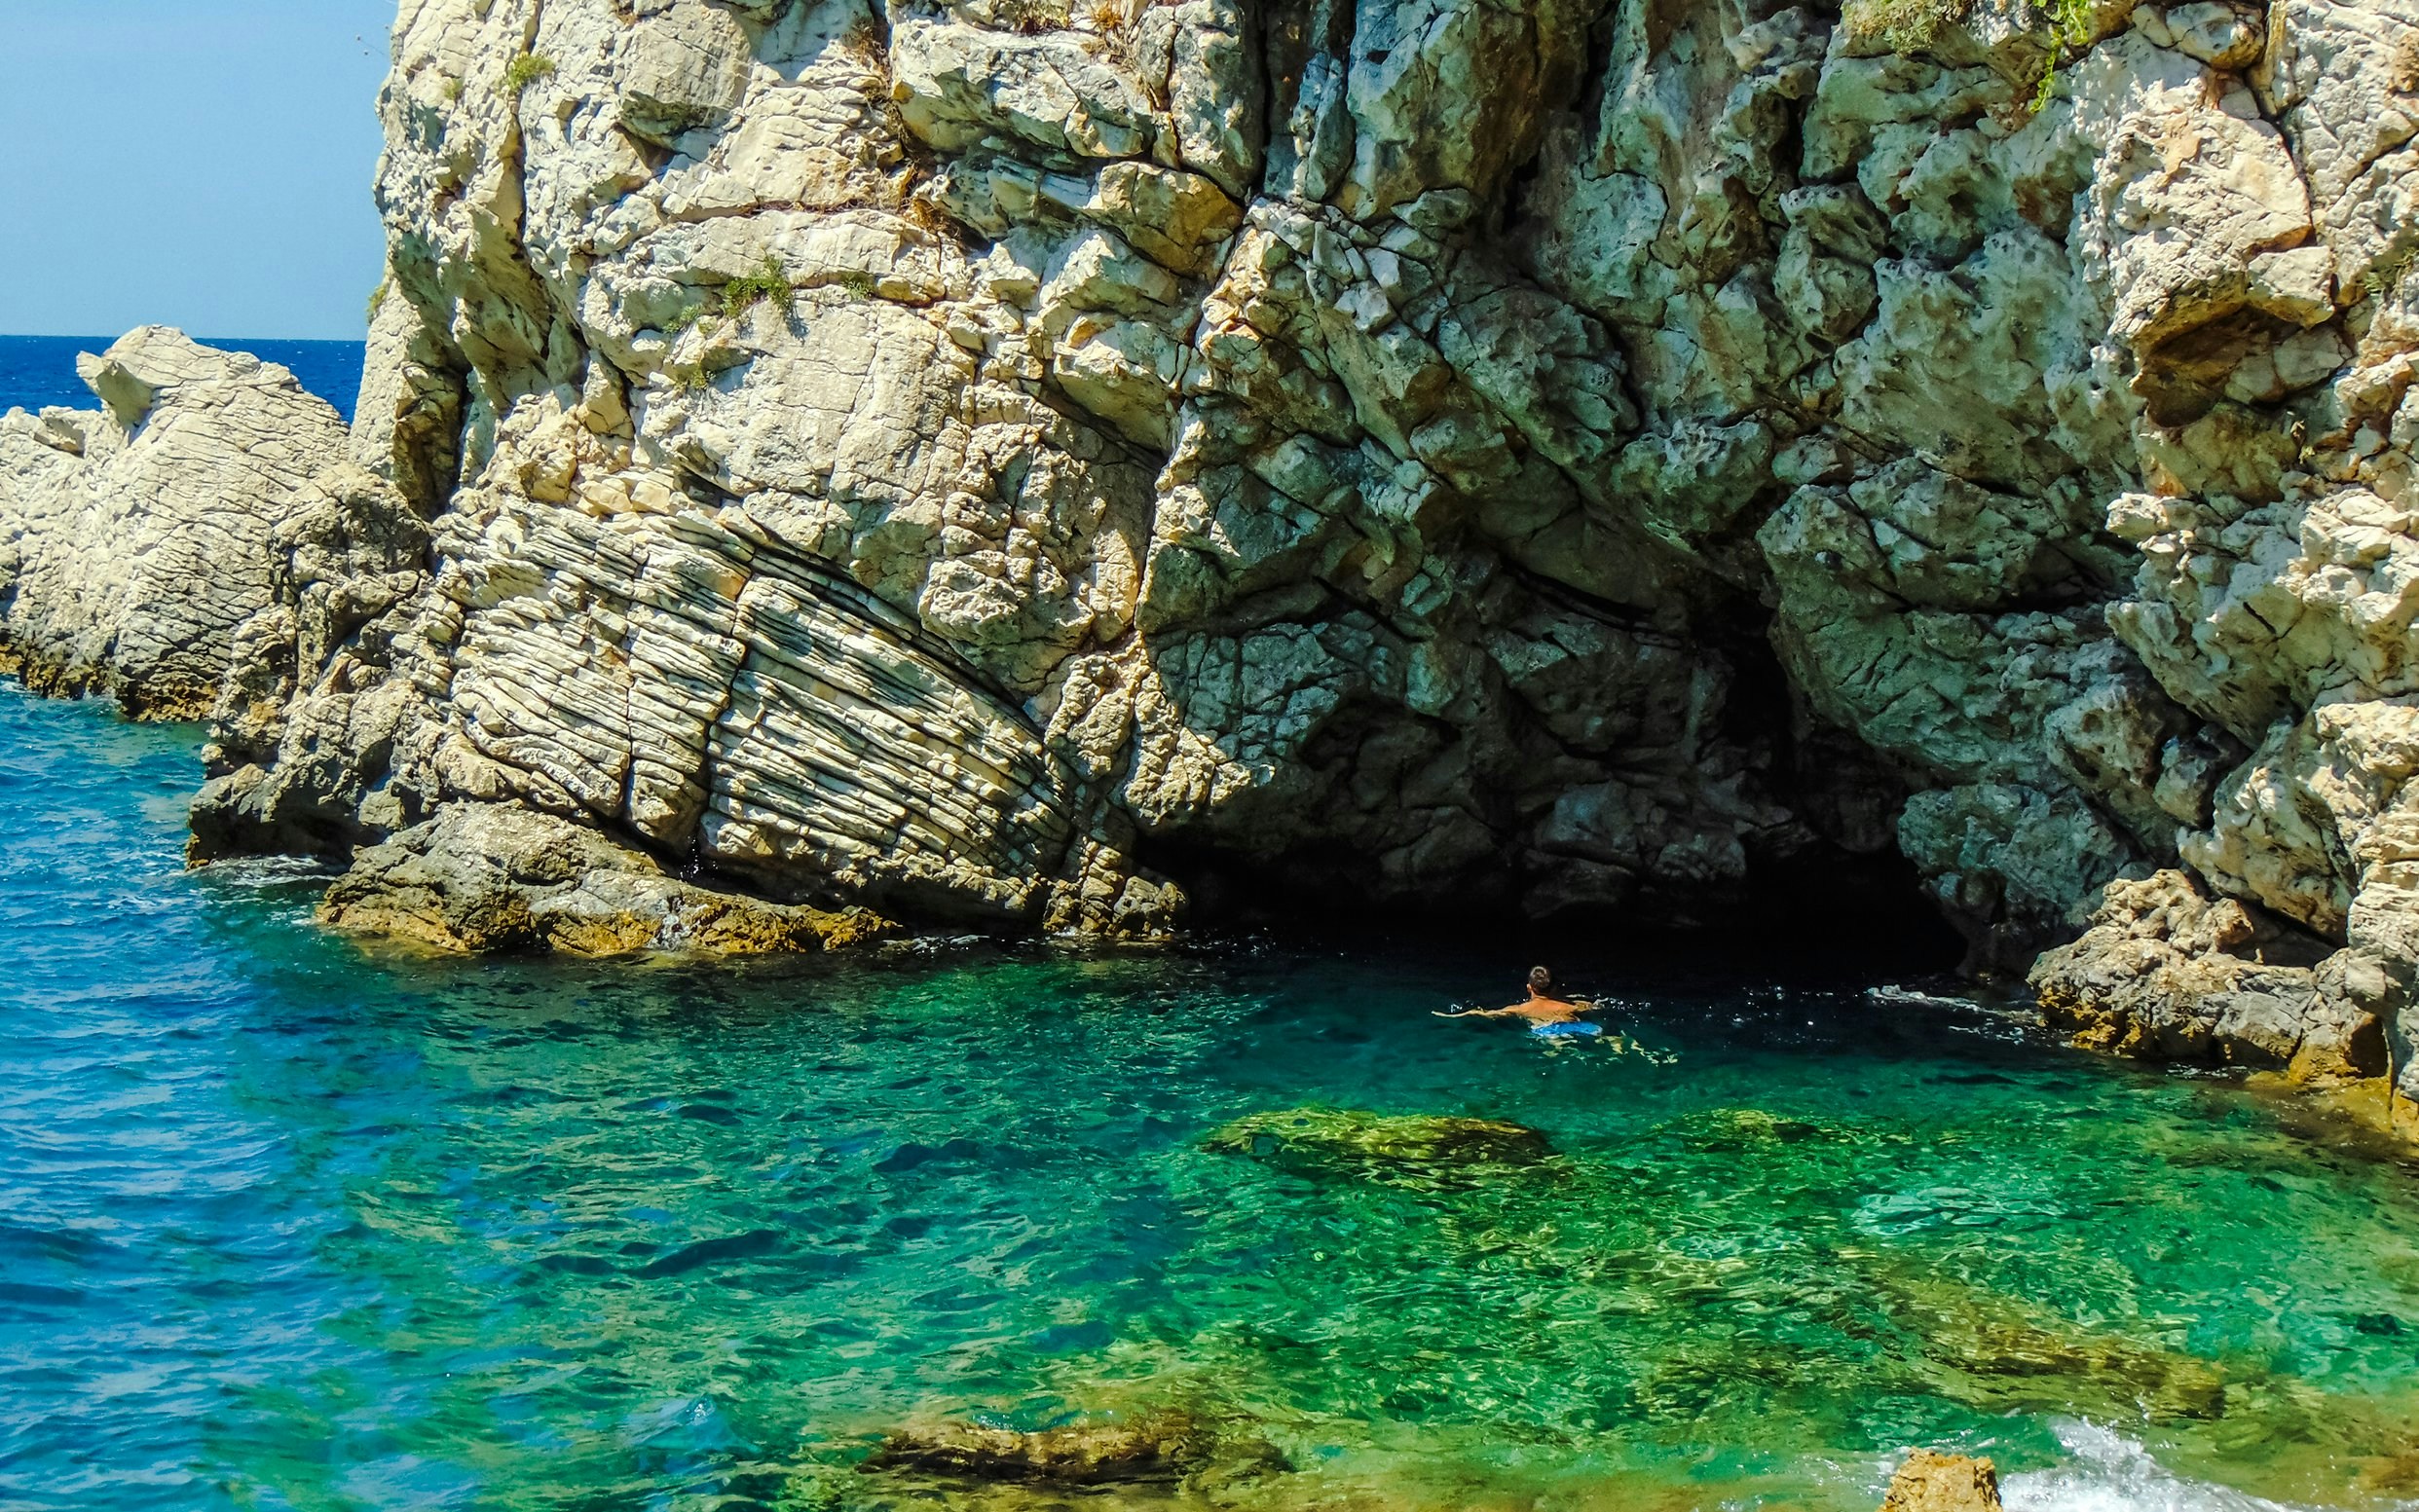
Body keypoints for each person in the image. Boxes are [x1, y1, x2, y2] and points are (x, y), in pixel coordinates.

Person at [1434, 967, 1600, 1036]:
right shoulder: (1570, 1006)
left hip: (1546, 1031)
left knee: (1553, 1041)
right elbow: (1595, 1006)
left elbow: (1488, 1014)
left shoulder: (1521, 1009)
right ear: (1554, 988)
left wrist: (1454, 1015)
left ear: (1529, 987)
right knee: (1602, 1034)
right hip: (1575, 1025)